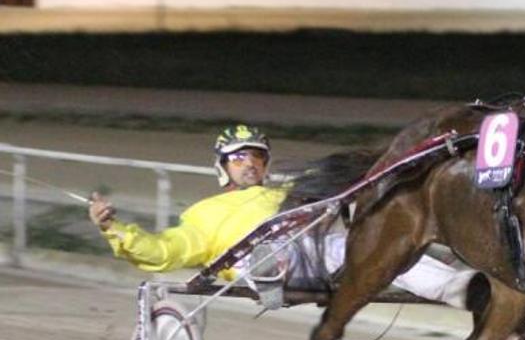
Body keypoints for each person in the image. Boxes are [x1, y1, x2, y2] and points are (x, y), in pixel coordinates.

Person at [89, 124, 476, 307]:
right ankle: (274, 265)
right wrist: (114, 228)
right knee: (273, 251)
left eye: (256, 157)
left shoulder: (285, 192)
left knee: (380, 247)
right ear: (222, 167)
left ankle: (464, 289)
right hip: (256, 261)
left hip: (316, 250)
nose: (250, 165)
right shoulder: (203, 214)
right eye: (239, 158)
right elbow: (163, 250)